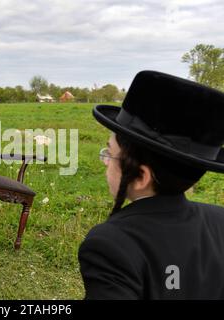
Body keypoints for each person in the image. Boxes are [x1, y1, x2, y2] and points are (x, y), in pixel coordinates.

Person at [78, 70, 224, 299]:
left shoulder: (111, 244)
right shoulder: (219, 220)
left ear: (141, 176)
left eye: (110, 153)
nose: (105, 161)